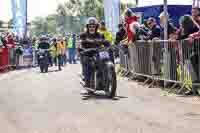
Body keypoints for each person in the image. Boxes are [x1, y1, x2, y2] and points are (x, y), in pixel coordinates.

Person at [78, 17, 110, 94]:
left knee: (103, 62)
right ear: (87, 27)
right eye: (90, 26)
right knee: (86, 62)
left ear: (96, 27)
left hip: (97, 53)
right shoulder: (83, 35)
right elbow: (80, 44)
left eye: (93, 26)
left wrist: (109, 45)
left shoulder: (100, 34)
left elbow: (105, 42)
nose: (92, 28)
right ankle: (87, 83)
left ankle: (104, 83)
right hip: (87, 53)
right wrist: (80, 49)